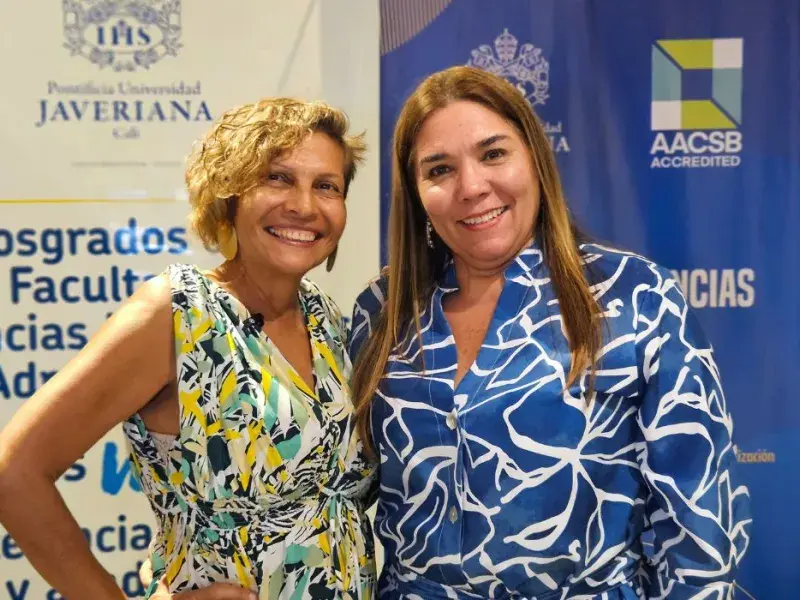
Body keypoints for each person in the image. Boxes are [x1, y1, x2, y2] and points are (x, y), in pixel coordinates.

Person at [348, 66, 752, 599]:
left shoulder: (635, 297)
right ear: (416, 192)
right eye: (439, 169)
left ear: (536, 160)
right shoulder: (382, 310)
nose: (472, 187)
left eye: (493, 154)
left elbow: (699, 517)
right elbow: (334, 486)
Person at [0, 98, 377, 599]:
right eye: (278, 178)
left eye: (326, 186)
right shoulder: (177, 314)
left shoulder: (325, 317)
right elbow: (15, 471)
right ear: (229, 194)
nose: (305, 206)